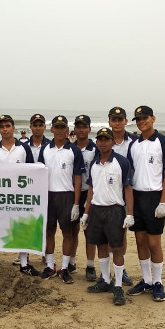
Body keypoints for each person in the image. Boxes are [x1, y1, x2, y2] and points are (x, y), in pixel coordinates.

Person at [126, 105, 165, 302]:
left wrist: (164, 201)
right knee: (140, 241)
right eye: (138, 119)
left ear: (153, 119)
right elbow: (131, 173)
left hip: (155, 197)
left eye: (144, 118)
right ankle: (146, 280)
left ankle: (158, 281)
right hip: (137, 197)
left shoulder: (163, 142)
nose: (141, 122)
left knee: (154, 242)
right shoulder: (134, 144)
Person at [80, 128, 134, 305]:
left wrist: (130, 214)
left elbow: (127, 188)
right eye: (100, 140)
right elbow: (91, 189)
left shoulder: (121, 162)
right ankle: (105, 280)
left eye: (106, 139)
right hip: (97, 210)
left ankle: (118, 286)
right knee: (101, 247)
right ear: (97, 142)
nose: (102, 142)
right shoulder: (95, 164)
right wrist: (86, 213)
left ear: (112, 142)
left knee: (116, 248)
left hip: (114, 210)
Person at [0, 114, 38, 274]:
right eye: (1, 127)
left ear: (13, 128)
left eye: (7, 126)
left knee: (22, 227)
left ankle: (23, 264)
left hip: (19, 197)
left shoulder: (24, 149)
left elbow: (32, 171)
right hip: (0, 198)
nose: (5, 129)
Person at [37, 115, 85, 283]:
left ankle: (64, 269)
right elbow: (39, 174)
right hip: (48, 195)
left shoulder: (74, 151)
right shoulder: (45, 149)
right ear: (52, 130)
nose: (59, 130)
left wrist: (77, 204)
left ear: (67, 130)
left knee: (68, 233)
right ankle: (50, 266)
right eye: (56, 127)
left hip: (67, 195)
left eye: (62, 127)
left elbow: (78, 178)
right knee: (49, 232)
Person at [12, 113, 52, 266]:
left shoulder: (50, 146)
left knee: (46, 224)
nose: (37, 128)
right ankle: (25, 254)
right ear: (30, 127)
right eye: (34, 125)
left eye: (40, 125)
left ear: (45, 127)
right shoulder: (22, 147)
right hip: (26, 190)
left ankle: (45, 254)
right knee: (26, 222)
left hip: (46, 189)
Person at [107, 106, 137, 286]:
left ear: (126, 121)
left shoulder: (135, 142)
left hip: (126, 193)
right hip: (107, 194)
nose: (117, 123)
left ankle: (121, 268)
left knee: (122, 232)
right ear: (109, 122)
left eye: (120, 120)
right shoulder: (102, 141)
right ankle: (107, 271)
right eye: (113, 120)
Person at [71, 114, 98, 281]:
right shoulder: (69, 147)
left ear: (89, 129)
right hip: (72, 193)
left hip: (90, 193)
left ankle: (90, 265)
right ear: (75, 129)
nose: (81, 130)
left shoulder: (95, 149)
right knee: (72, 230)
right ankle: (72, 262)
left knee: (89, 231)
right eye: (78, 127)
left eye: (84, 127)